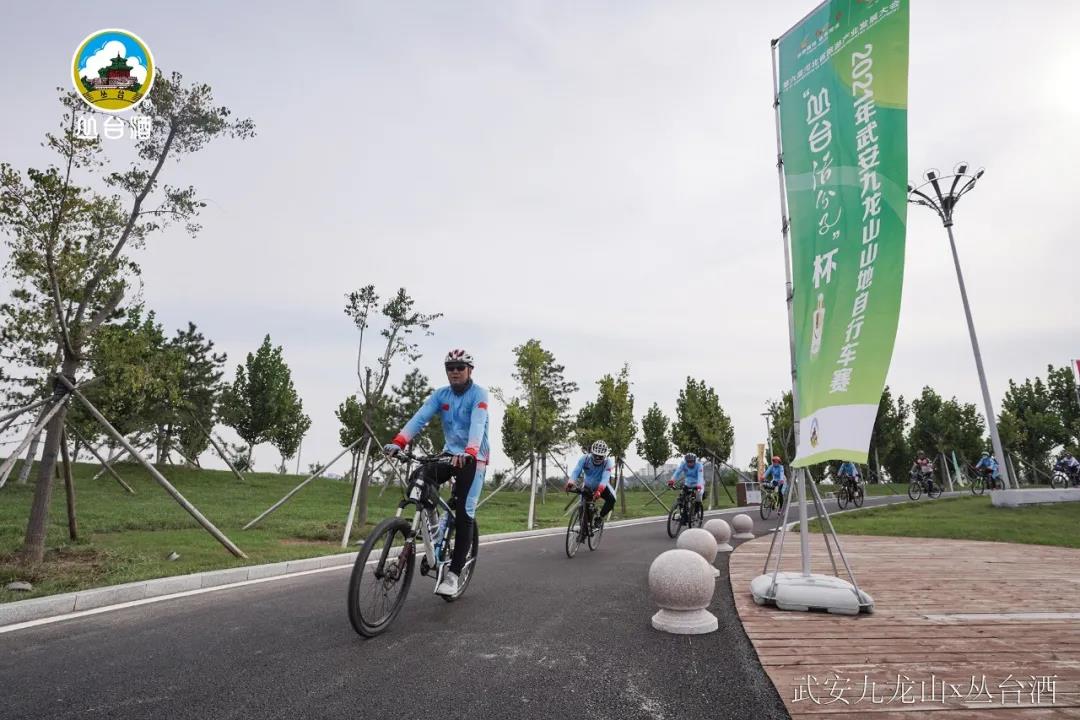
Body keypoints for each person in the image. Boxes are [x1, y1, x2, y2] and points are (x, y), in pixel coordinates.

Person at [384, 349, 489, 597]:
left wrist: (470, 451)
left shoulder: (479, 394)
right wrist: (399, 442)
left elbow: (478, 423)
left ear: (470, 370)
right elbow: (420, 418)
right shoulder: (441, 395)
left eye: (460, 367)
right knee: (419, 478)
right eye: (450, 368)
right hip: (448, 454)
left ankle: (453, 575)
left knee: (464, 513)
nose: (455, 372)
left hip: (474, 458)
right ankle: (434, 533)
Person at [565, 440, 617, 528]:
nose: (597, 458)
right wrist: (570, 483)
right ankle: (583, 525)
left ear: (604, 456)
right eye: (595, 455)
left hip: (601, 486)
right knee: (583, 508)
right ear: (592, 453)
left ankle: (600, 518)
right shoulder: (585, 459)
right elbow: (576, 471)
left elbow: (605, 478)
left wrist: (599, 491)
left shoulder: (608, 462)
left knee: (612, 499)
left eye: (600, 457)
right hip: (587, 486)